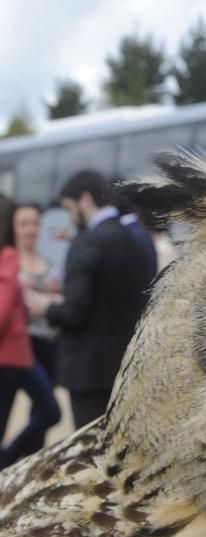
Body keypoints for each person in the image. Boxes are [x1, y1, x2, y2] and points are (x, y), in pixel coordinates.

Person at [24, 170, 156, 429]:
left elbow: (74, 312)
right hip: (130, 365)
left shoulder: (86, 242)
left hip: (89, 372)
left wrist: (44, 306)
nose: (71, 218)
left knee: (93, 450)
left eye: (69, 208)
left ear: (85, 200)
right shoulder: (139, 237)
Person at [0, 197, 61, 467]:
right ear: (12, 226)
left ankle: (30, 467)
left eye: (34, 223)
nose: (30, 229)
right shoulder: (9, 260)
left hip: (47, 345)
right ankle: (9, 462)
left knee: (43, 416)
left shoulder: (47, 263)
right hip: (20, 347)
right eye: (23, 223)